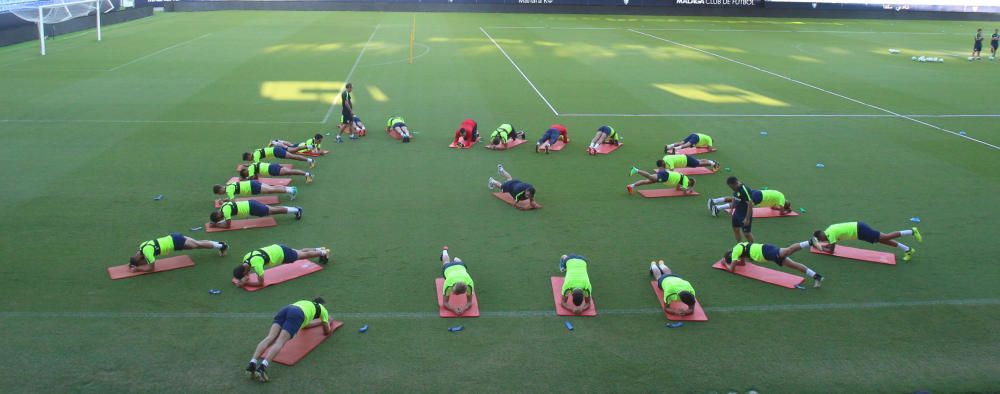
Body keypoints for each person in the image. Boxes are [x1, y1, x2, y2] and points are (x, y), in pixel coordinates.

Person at [246, 297, 333, 382]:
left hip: (286, 309)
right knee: (280, 341)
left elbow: (306, 326)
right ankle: (262, 368)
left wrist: (319, 322)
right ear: (322, 305)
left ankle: (252, 363)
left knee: (270, 337)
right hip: (297, 314)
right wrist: (328, 321)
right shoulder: (323, 310)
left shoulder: (305, 303)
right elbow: (326, 331)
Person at [723, 241, 824, 288]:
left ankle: (810, 242)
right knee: (794, 265)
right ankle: (817, 277)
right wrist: (735, 263)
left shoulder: (736, 252)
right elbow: (742, 263)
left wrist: (725, 264)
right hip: (767, 253)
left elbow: (732, 270)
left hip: (766, 252)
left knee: (788, 251)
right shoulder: (738, 248)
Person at [810, 222, 923, 261]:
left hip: (860, 230)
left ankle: (911, 231)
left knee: (886, 237)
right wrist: (820, 246)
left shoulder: (831, 234)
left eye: (821, 240)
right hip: (859, 229)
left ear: (821, 236)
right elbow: (830, 244)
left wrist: (820, 248)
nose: (823, 241)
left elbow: (831, 251)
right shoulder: (828, 230)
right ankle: (908, 250)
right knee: (882, 240)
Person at [233, 244, 330, 288]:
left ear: (244, 271)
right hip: (277, 247)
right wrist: (244, 277)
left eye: (245, 274)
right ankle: (319, 249)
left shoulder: (257, 264)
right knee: (300, 251)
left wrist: (245, 283)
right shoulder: (245, 259)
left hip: (283, 254)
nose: (248, 275)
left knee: (302, 256)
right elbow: (248, 270)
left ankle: (323, 252)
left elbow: (261, 283)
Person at [128, 233, 228, 272]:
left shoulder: (147, 253)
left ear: (141, 259)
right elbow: (138, 257)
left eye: (142, 262)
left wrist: (138, 269)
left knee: (198, 245)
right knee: (198, 244)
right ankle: (219, 244)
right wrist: (133, 263)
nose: (144, 263)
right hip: (173, 239)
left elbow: (151, 268)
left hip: (176, 242)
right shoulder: (142, 247)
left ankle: (222, 245)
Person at [709, 176, 755, 242]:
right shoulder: (735, 188)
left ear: (735, 184)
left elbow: (750, 204)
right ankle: (739, 246)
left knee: (747, 233)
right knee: (736, 229)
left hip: (744, 214)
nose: (731, 188)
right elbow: (734, 197)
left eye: (731, 187)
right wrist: (731, 209)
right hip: (737, 212)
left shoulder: (744, 190)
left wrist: (747, 219)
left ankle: (751, 248)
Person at [208, 200, 303, 228]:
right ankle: (295, 209)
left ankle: (296, 210)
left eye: (219, 219)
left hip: (253, 208)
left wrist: (216, 225)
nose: (221, 220)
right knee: (273, 209)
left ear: (218, 216)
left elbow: (228, 225)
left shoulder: (226, 212)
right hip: (251, 203)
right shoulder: (223, 207)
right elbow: (225, 218)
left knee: (274, 211)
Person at [708, 187, 792, 217]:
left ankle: (714, 201)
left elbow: (773, 207)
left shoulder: (779, 195)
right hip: (759, 198)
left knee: (737, 198)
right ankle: (717, 208)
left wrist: (781, 209)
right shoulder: (782, 200)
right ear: (784, 204)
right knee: (740, 205)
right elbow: (781, 213)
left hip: (758, 192)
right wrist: (787, 212)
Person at [439, 246, 475, 315]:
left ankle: (446, 252)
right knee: (446, 262)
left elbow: (469, 302)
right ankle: (452, 257)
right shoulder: (448, 284)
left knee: (447, 261)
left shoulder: (469, 283)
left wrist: (463, 309)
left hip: (460, 265)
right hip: (452, 267)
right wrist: (454, 310)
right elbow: (445, 303)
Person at [625, 161, 696, 195]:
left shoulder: (683, 179)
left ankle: (631, 186)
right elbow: (684, 192)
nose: (688, 185)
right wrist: (689, 189)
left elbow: (677, 188)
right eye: (690, 185)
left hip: (666, 175)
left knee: (647, 181)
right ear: (690, 182)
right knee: (650, 177)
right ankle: (636, 170)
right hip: (666, 176)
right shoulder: (686, 181)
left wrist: (684, 188)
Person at [213, 180, 297, 201]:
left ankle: (291, 190)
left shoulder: (229, 190)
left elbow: (233, 201)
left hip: (252, 187)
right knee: (272, 188)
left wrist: (224, 202)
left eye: (219, 193)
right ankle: (289, 189)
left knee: (271, 190)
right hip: (252, 183)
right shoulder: (229, 186)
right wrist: (225, 200)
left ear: (220, 189)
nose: (220, 194)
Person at [238, 162, 313, 184]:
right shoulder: (252, 166)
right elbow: (256, 178)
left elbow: (252, 181)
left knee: (290, 172)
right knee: (290, 172)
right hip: (272, 166)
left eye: (246, 175)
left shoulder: (250, 169)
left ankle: (308, 175)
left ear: (245, 172)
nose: (247, 175)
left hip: (272, 169)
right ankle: (307, 175)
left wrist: (244, 180)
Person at [242, 147, 315, 169]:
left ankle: (310, 160)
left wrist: (247, 166)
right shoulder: (256, 151)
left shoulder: (256, 156)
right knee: (294, 150)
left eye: (247, 159)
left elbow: (257, 165)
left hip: (276, 152)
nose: (249, 160)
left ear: (249, 156)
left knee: (293, 156)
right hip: (276, 150)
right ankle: (309, 146)